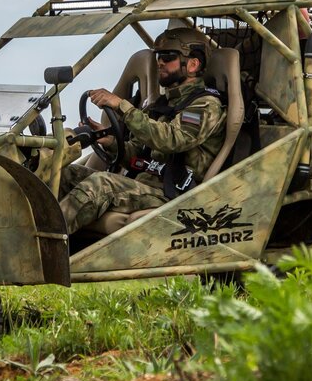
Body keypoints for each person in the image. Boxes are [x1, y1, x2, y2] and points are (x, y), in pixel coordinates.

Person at [59, 26, 226, 234]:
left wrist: (122, 106)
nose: (160, 62)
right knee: (63, 174)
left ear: (193, 64)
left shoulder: (205, 105)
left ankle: (40, 250)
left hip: (172, 192)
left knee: (100, 184)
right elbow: (138, 153)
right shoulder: (165, 104)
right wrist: (110, 141)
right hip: (145, 183)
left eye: (168, 56)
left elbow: (173, 139)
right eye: (158, 56)